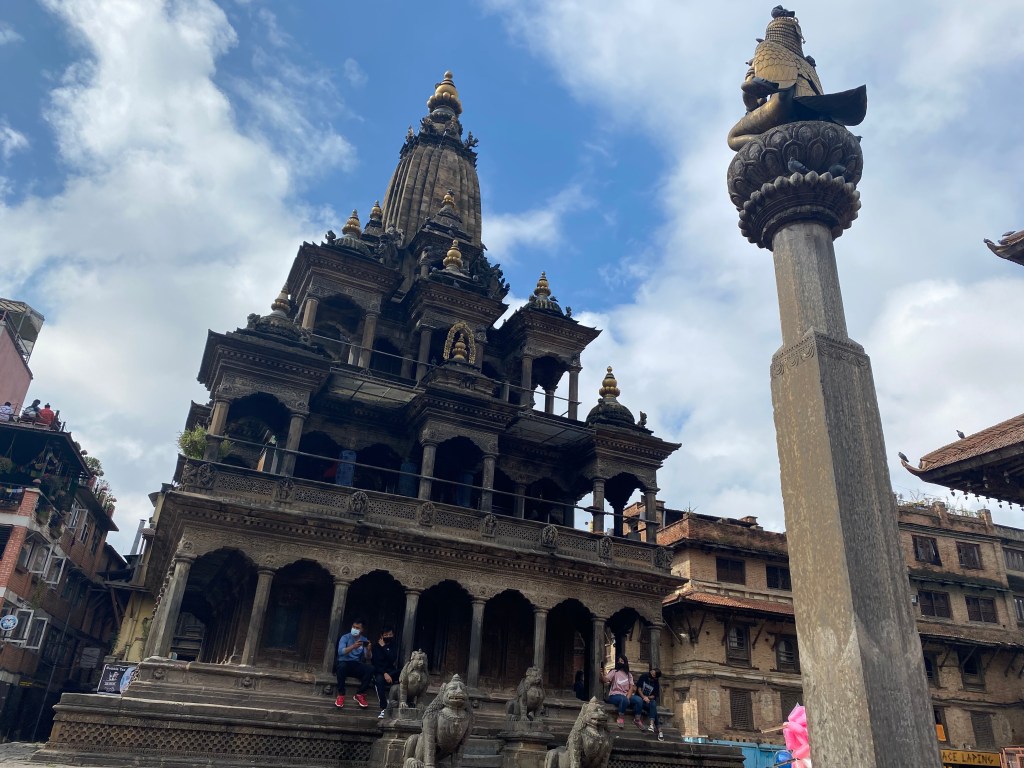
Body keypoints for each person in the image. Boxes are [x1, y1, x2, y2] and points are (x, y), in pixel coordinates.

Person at [334, 619, 374, 709]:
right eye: (353, 627)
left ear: (362, 630)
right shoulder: (345, 637)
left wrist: (368, 650)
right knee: (341, 666)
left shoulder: (363, 640)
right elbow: (340, 652)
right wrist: (353, 646)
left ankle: (360, 694)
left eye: (357, 628)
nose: (355, 629)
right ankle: (341, 694)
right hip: (344, 663)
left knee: (370, 668)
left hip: (355, 664)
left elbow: (368, 657)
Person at [370, 626, 400, 719]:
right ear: (382, 636)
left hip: (391, 671)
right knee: (379, 681)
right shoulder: (376, 646)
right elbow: (375, 663)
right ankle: (384, 707)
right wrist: (384, 673)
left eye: (390, 634)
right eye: (386, 635)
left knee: (402, 673)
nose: (388, 636)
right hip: (380, 671)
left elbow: (392, 658)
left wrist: (384, 647)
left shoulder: (393, 645)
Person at [632, 667, 664, 740]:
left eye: (653, 674)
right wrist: (644, 697)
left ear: (655, 677)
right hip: (639, 699)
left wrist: (648, 697)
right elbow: (639, 689)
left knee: (653, 703)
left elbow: (654, 695)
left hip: (647, 701)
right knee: (654, 710)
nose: (651, 673)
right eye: (652, 672)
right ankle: (659, 729)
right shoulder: (644, 676)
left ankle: (651, 724)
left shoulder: (656, 682)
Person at [604, 655, 635, 729]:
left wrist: (627, 698)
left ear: (625, 662)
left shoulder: (629, 675)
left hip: (626, 696)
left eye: (622, 661)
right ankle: (620, 717)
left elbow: (631, 688)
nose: (620, 662)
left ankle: (637, 719)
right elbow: (605, 680)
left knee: (638, 700)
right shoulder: (614, 672)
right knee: (623, 699)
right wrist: (600, 673)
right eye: (619, 661)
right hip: (614, 695)